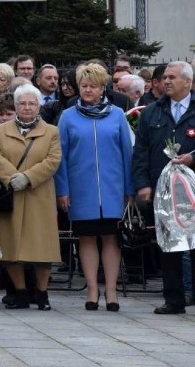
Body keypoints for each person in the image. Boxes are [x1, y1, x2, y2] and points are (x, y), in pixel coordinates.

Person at [55, 64, 132, 311]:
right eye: (84, 86)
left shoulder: (118, 114)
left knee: (111, 238)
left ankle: (111, 291)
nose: (88, 90)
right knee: (87, 238)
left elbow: (127, 154)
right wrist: (62, 189)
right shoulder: (68, 116)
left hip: (113, 188)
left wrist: (129, 189)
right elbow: (60, 156)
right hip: (81, 188)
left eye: (93, 86)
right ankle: (91, 290)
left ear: (103, 89)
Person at [0, 84, 62, 311]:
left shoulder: (51, 131)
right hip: (11, 195)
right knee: (10, 248)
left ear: (38, 105)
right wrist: (11, 177)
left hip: (38, 195)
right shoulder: (2, 130)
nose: (27, 107)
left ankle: (41, 293)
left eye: (31, 103)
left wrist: (28, 177)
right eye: (22, 103)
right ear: (16, 105)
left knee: (42, 249)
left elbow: (53, 160)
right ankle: (20, 292)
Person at [133, 61, 195, 314]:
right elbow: (141, 152)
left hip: (193, 190)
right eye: (165, 77)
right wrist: (142, 185)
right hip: (164, 189)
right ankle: (173, 299)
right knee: (169, 245)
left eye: (172, 77)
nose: (166, 81)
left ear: (188, 82)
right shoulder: (152, 112)